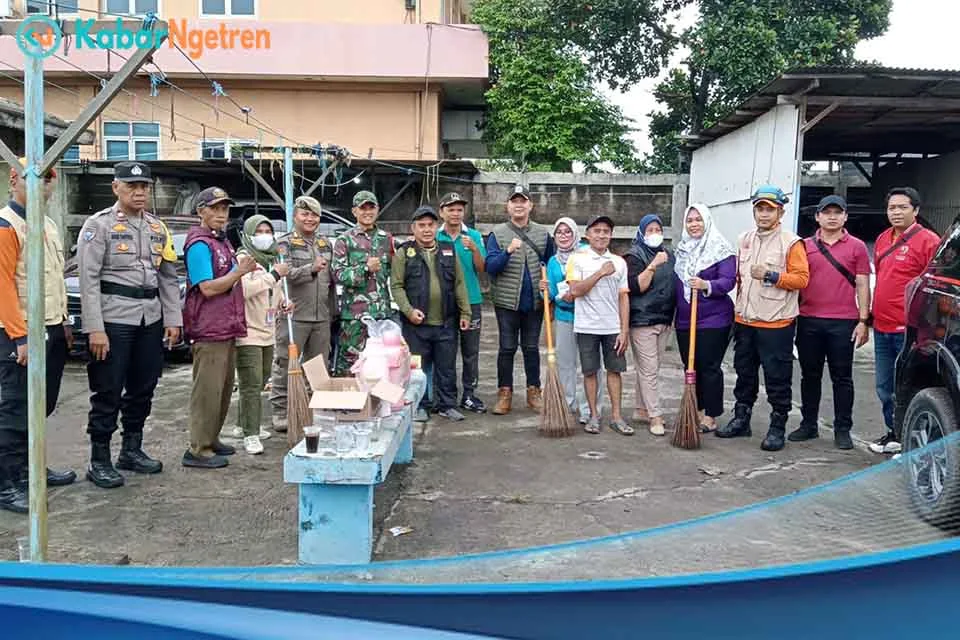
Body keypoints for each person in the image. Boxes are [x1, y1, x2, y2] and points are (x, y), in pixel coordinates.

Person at [78, 161, 181, 489]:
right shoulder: (99, 226)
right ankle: (99, 459)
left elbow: (167, 276)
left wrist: (173, 319)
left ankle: (131, 450)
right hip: (113, 318)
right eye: (131, 186)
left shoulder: (156, 228)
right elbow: (88, 279)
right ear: (116, 188)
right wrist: (95, 328)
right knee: (107, 389)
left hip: (149, 318)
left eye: (144, 187)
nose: (139, 192)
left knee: (144, 386)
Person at [0, 161, 76, 513]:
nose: (44, 187)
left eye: (48, 180)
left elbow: (53, 280)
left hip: (50, 327)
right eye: (36, 179)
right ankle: (6, 483)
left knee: (40, 407)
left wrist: (63, 323)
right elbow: (3, 288)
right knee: (15, 410)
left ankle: (30, 468)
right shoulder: (6, 225)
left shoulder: (46, 224)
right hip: (20, 333)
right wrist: (19, 337)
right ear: (14, 179)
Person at [717, 185, 809, 452]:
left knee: (777, 378)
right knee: (744, 375)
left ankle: (777, 426)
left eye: (769, 209)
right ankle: (741, 419)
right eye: (759, 208)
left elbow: (802, 279)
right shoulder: (744, 238)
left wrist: (771, 275)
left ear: (780, 211)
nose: (764, 214)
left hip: (776, 323)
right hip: (746, 321)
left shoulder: (791, 242)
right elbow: (737, 276)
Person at [789, 196, 872, 451]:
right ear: (817, 217)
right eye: (827, 212)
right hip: (809, 319)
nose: (832, 217)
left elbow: (862, 284)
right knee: (809, 375)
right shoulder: (804, 246)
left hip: (844, 322)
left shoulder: (857, 247)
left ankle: (842, 428)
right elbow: (796, 281)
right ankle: (809, 424)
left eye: (838, 212)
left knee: (842, 377)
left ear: (845, 217)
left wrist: (863, 321)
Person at [181, 187, 256, 469]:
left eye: (225, 209)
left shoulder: (220, 241)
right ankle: (198, 448)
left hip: (226, 325)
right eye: (215, 208)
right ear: (201, 211)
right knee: (207, 391)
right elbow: (208, 288)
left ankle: (211, 439)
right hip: (209, 327)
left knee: (223, 389)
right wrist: (239, 272)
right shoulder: (200, 244)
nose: (221, 214)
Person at [869, 187, 940, 454]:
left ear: (916, 210)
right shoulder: (883, 239)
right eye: (891, 208)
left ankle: (914, 441)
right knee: (884, 387)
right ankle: (895, 433)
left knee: (908, 388)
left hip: (910, 330)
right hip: (881, 326)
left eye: (902, 207)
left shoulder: (928, 241)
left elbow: (933, 286)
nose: (896, 212)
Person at [391, 206, 472, 421]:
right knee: (418, 369)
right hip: (416, 324)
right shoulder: (404, 253)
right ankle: (420, 405)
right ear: (413, 228)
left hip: (446, 321)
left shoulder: (448, 249)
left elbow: (460, 283)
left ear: (437, 227)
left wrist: (466, 313)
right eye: (421, 226)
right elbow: (396, 286)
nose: (427, 230)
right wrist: (408, 311)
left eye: (430, 225)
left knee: (446, 367)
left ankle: (447, 405)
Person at [485, 185, 555, 415]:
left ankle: (534, 391)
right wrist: (507, 252)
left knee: (531, 348)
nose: (518, 205)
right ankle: (504, 393)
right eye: (514, 201)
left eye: (523, 201)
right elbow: (490, 268)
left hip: (534, 303)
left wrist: (549, 287)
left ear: (530, 206)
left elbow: (551, 265)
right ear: (508, 206)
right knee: (506, 348)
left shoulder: (543, 234)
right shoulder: (497, 234)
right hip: (506, 303)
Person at [270, 196, 335, 433]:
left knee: (318, 365)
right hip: (294, 315)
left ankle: (315, 409)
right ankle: (281, 410)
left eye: (314, 215)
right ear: (295, 216)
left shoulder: (325, 244)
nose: (310, 219)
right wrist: (311, 269)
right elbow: (284, 275)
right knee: (285, 363)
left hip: (321, 315)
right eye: (305, 214)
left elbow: (330, 282)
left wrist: (332, 312)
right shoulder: (284, 244)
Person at [673, 203, 736, 434]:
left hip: (713, 320)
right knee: (691, 367)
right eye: (690, 220)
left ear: (707, 221)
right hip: (684, 320)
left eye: (698, 219)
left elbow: (729, 281)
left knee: (709, 367)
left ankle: (710, 414)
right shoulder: (681, 250)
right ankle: (695, 409)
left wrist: (706, 284)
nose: (694, 224)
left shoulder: (721, 249)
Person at [566, 215, 631, 435]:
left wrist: (624, 330)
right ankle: (593, 416)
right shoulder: (577, 259)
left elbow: (624, 298)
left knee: (615, 371)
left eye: (606, 231)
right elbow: (575, 291)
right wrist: (601, 272)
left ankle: (617, 417)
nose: (602, 235)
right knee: (590, 372)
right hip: (586, 327)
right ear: (588, 235)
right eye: (597, 231)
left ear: (611, 235)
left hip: (612, 327)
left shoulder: (620, 262)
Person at [232, 215, 291, 454]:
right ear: (249, 234)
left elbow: (271, 294)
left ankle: (241, 424)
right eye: (260, 231)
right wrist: (274, 275)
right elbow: (244, 290)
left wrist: (283, 303)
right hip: (247, 333)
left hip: (267, 331)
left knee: (260, 380)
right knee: (250, 384)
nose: (265, 235)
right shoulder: (243, 259)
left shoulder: (270, 260)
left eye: (268, 230)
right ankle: (251, 434)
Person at [546, 217, 605, 420]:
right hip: (565, 316)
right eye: (559, 232)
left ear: (575, 234)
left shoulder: (586, 255)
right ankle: (567, 404)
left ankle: (590, 409)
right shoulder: (553, 262)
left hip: (588, 317)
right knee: (565, 363)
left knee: (590, 364)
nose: (563, 236)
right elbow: (553, 292)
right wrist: (546, 291)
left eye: (568, 231)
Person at [623, 214, 677, 436]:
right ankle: (655, 415)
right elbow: (637, 287)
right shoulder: (634, 256)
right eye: (650, 230)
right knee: (649, 370)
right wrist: (653, 265)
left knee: (649, 369)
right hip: (642, 320)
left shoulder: (669, 254)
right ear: (641, 232)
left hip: (664, 320)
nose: (654, 234)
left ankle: (641, 409)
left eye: (658, 229)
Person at [332, 191, 394, 376]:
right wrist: (364, 269)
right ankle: (349, 404)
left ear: (378, 210)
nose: (367, 212)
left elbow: (395, 272)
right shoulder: (345, 239)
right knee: (351, 365)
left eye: (371, 207)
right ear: (354, 211)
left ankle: (376, 405)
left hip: (381, 315)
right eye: (363, 208)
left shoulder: (386, 239)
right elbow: (338, 274)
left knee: (381, 366)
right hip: (355, 317)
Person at [436, 192, 487, 414]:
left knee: (470, 351)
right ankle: (445, 396)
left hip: (472, 300)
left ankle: (469, 394)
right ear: (442, 212)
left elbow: (482, 268)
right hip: (443, 303)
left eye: (459, 209)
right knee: (445, 351)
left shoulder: (473, 235)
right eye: (451, 209)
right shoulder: (435, 237)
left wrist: (475, 249)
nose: (455, 214)